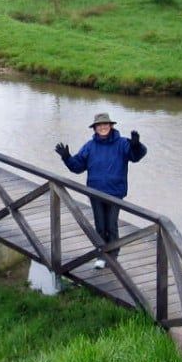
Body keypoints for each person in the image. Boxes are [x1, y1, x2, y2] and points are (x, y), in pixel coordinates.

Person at [55, 113, 147, 270]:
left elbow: (135, 156)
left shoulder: (123, 143)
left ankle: (113, 256)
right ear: (95, 128)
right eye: (99, 125)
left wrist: (137, 145)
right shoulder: (90, 146)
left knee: (111, 225)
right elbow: (77, 167)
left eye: (105, 124)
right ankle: (101, 256)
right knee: (100, 226)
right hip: (95, 193)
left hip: (115, 193)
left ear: (111, 126)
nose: (102, 127)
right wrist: (67, 158)